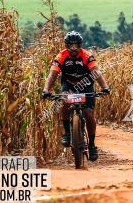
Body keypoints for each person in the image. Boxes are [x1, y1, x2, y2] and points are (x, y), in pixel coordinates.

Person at [41, 31, 110, 161]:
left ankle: (92, 145)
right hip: (69, 85)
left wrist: (105, 87)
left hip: (86, 85)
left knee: (89, 114)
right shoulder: (61, 56)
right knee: (65, 102)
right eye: (70, 46)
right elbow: (52, 75)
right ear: (66, 46)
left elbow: (96, 72)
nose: (73, 48)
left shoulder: (87, 56)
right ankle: (67, 132)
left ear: (80, 46)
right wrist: (46, 90)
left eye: (76, 45)